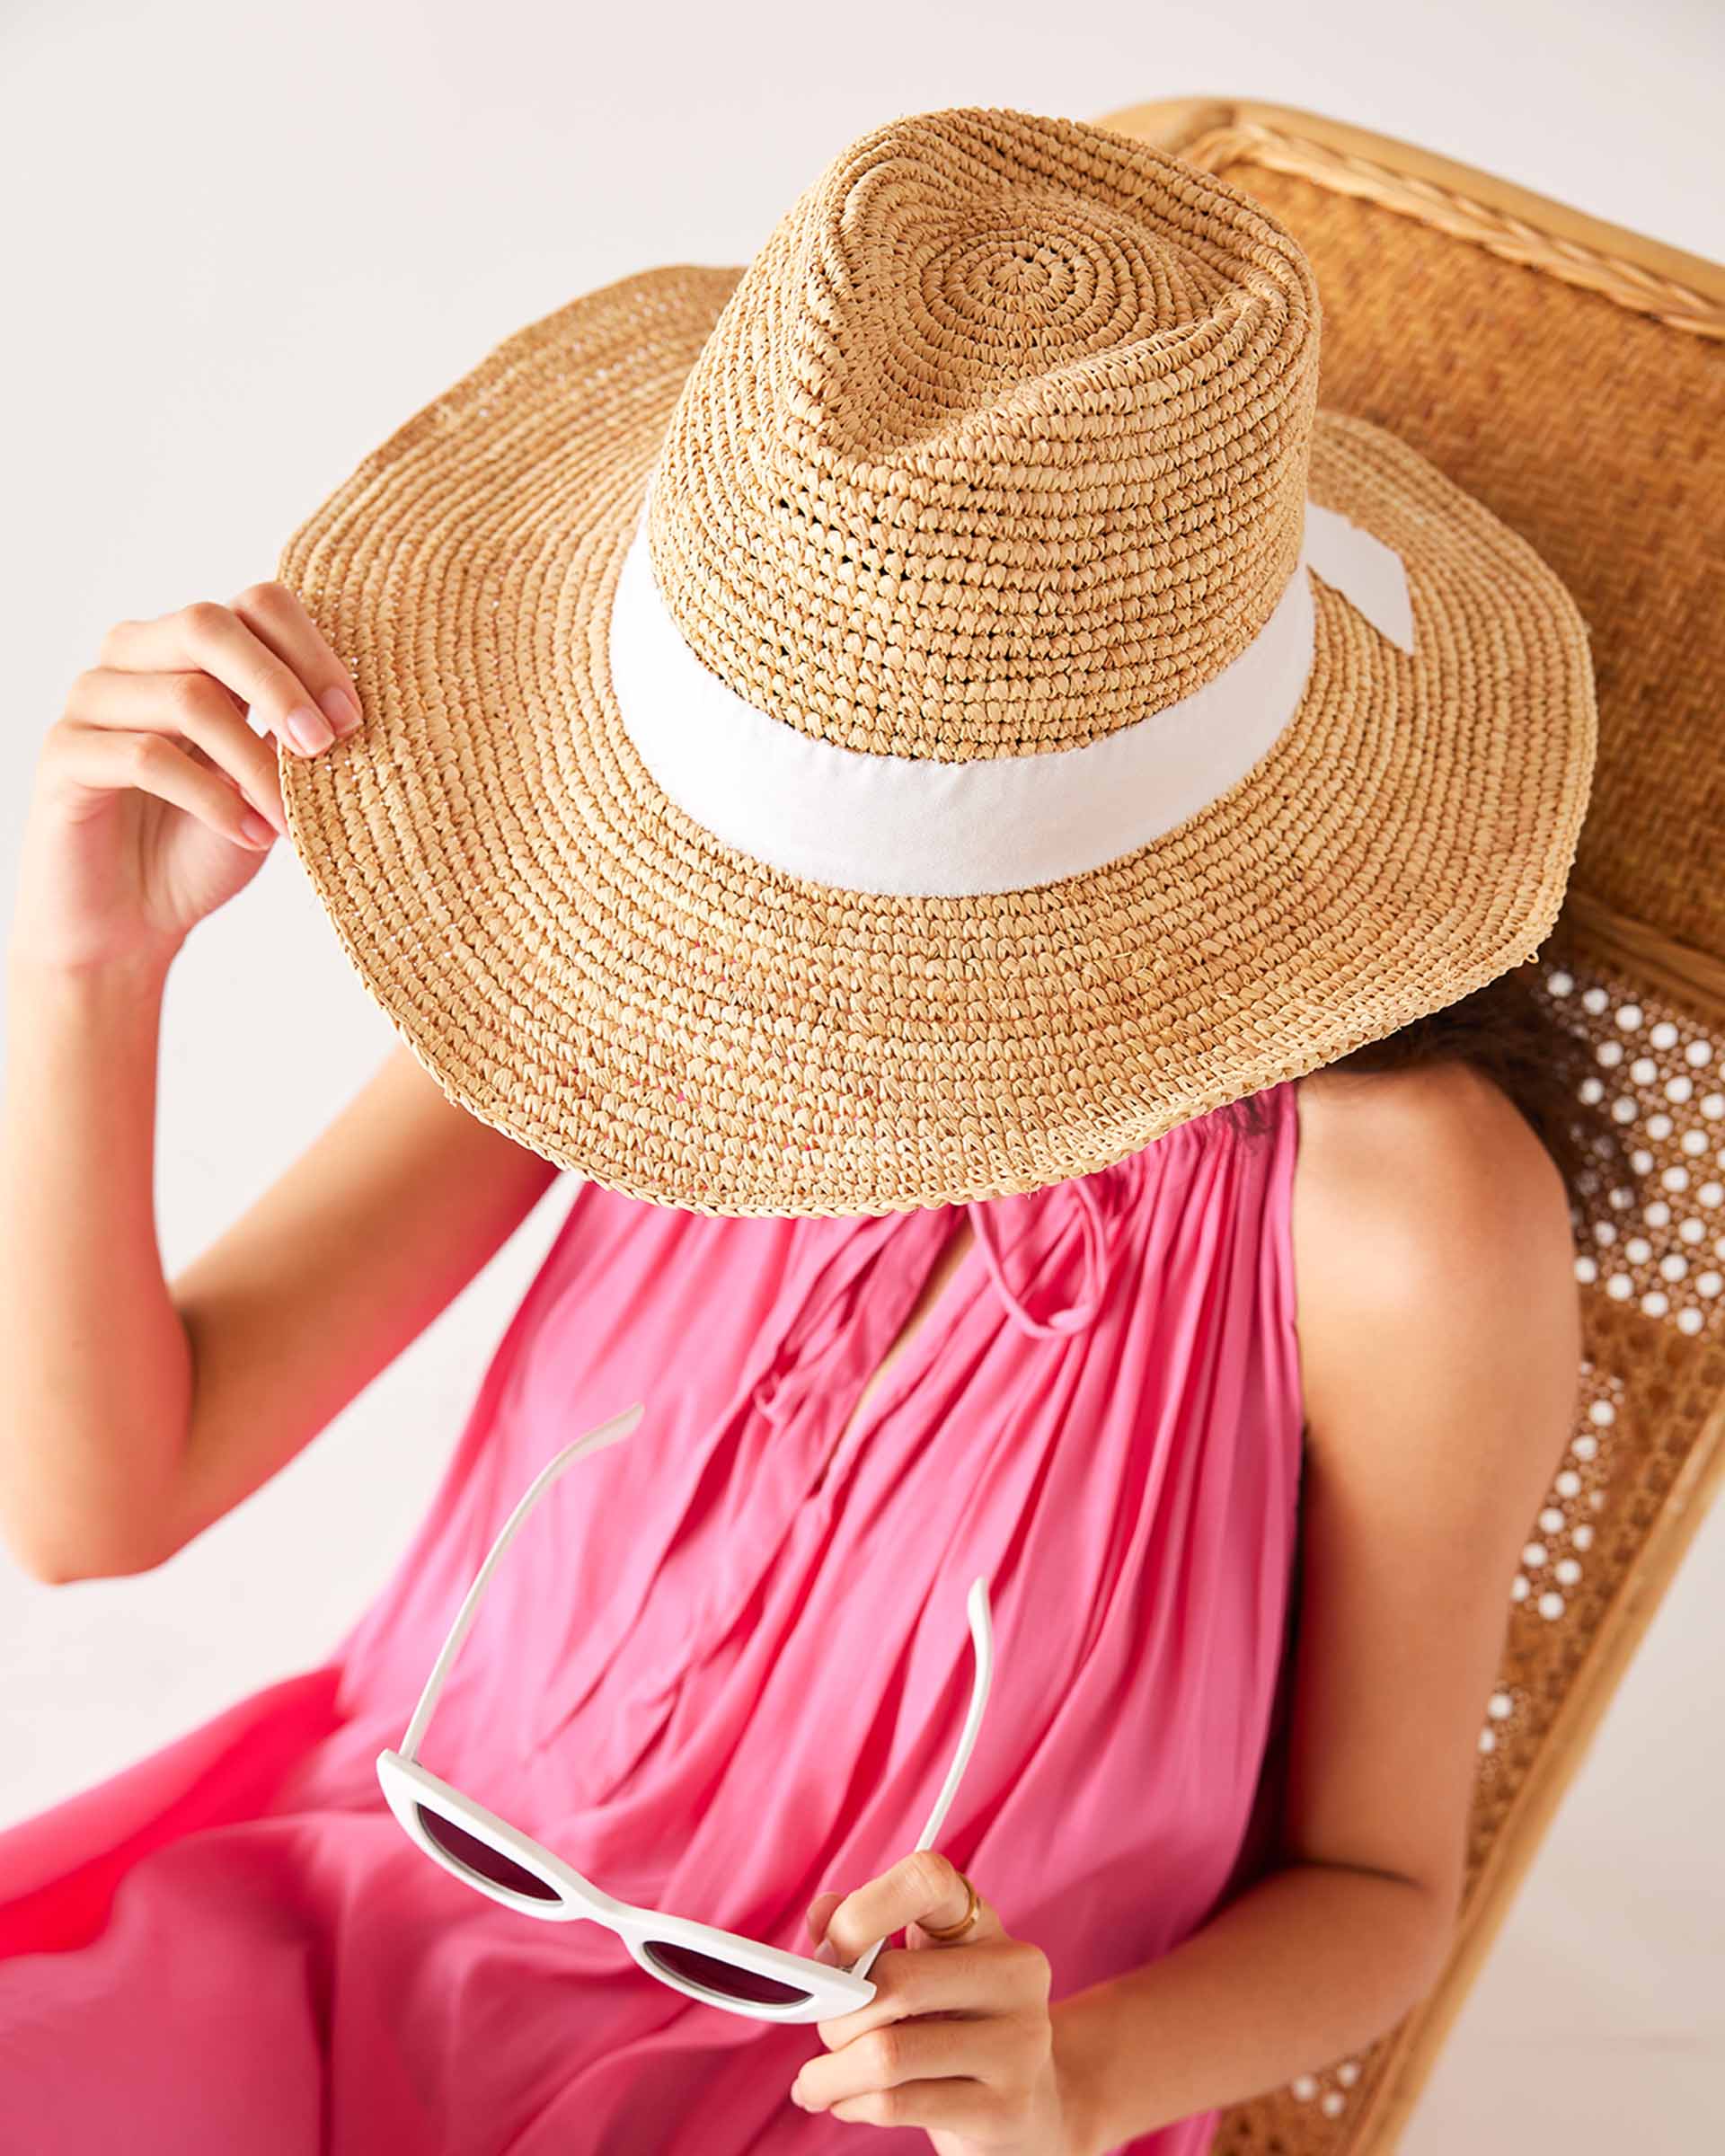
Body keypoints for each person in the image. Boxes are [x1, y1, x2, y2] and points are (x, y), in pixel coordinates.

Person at [0, 104, 1605, 2155]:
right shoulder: (655, 983)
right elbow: (96, 1504)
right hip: (336, 1951)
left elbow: (1382, 1897)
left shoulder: (1403, 1216)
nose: (780, 978)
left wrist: (1075, 2069)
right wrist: (86, 976)